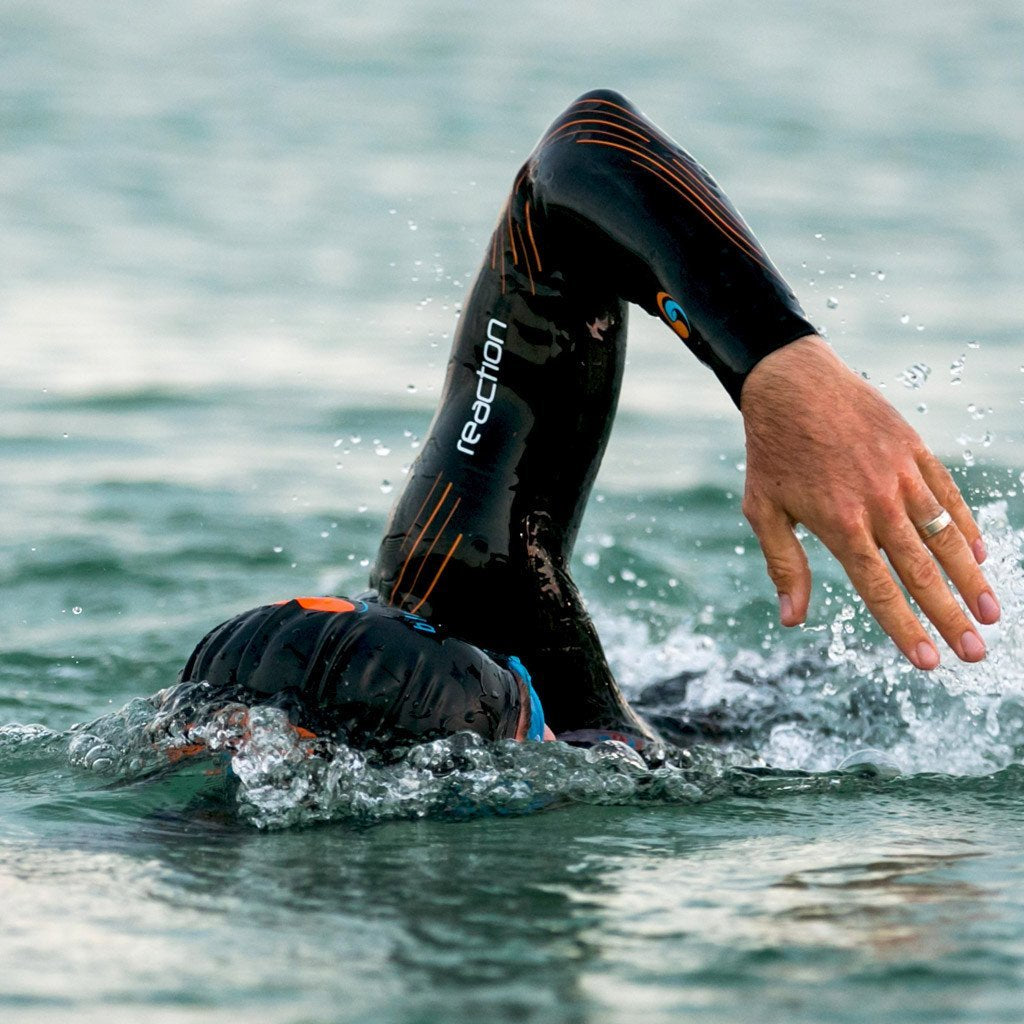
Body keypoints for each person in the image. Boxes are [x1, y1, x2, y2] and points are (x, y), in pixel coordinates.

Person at [175, 89, 1001, 758]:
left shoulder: (463, 590)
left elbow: (582, 151)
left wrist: (778, 363)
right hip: (796, 717)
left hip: (739, 702)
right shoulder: (553, 734)